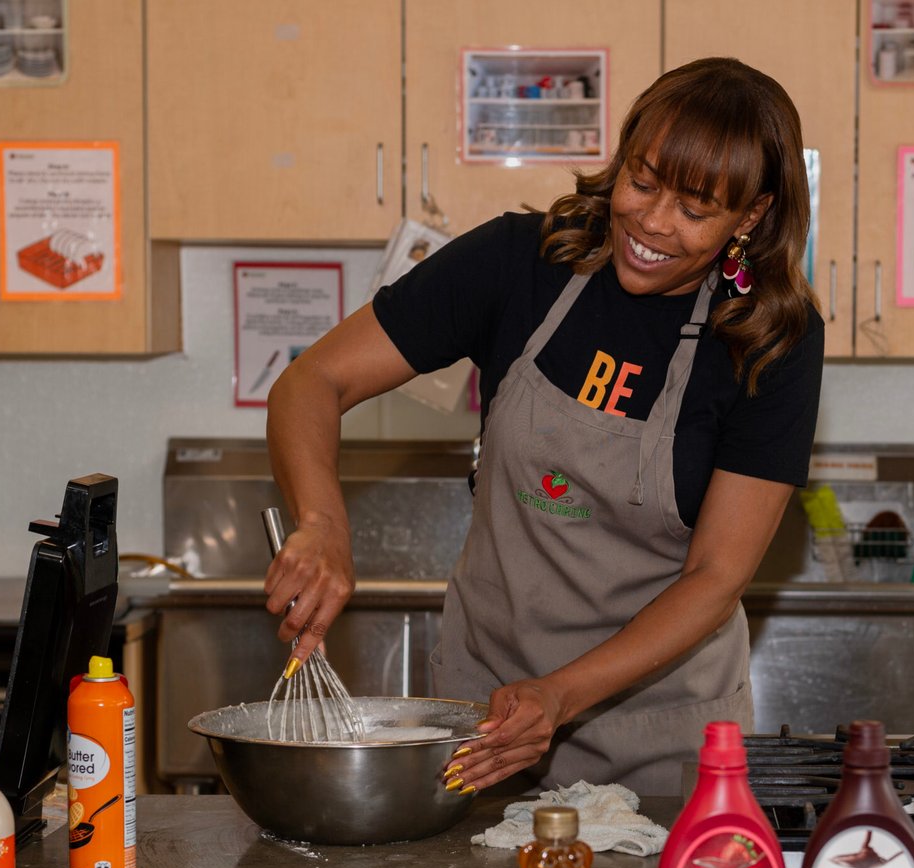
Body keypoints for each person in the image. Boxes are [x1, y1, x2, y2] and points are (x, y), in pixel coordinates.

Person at [264, 57, 824, 795]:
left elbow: (716, 576)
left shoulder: (770, 337)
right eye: (644, 181)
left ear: (750, 217)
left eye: (694, 210)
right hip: (485, 715)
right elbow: (313, 379)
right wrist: (323, 523)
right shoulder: (522, 263)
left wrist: (561, 694)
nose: (652, 223)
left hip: (660, 735)